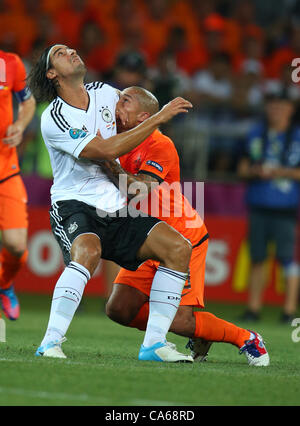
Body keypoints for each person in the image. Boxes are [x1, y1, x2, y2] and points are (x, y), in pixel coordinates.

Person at [27, 43, 195, 363]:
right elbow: (103, 150)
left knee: (178, 248)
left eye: (71, 48)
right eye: (60, 53)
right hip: (74, 203)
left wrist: (147, 117)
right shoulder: (56, 117)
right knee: (88, 251)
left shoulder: (105, 92)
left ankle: (154, 345)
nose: (72, 51)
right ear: (52, 74)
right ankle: (50, 341)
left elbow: (133, 114)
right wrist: (158, 118)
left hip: (114, 203)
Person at [103, 86, 270, 367]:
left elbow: (140, 189)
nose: (116, 104)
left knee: (182, 320)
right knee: (119, 309)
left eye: (125, 100)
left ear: (144, 116)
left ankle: (246, 337)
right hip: (146, 237)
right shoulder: (114, 139)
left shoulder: (160, 145)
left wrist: (108, 163)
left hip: (181, 237)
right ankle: (196, 331)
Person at [238, 88, 300, 323]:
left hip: (286, 207)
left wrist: (279, 171)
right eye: (272, 106)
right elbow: (241, 169)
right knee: (257, 258)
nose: (276, 110)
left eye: (281, 106)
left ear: (290, 109)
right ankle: (253, 309)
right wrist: (254, 171)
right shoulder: (255, 134)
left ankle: (289, 311)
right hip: (259, 204)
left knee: (288, 259)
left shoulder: (297, 136)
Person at [0, 49, 36, 320]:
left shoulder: (10, 63)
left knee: (16, 247)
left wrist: (21, 125)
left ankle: (4, 284)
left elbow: (28, 102)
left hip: (6, 167)